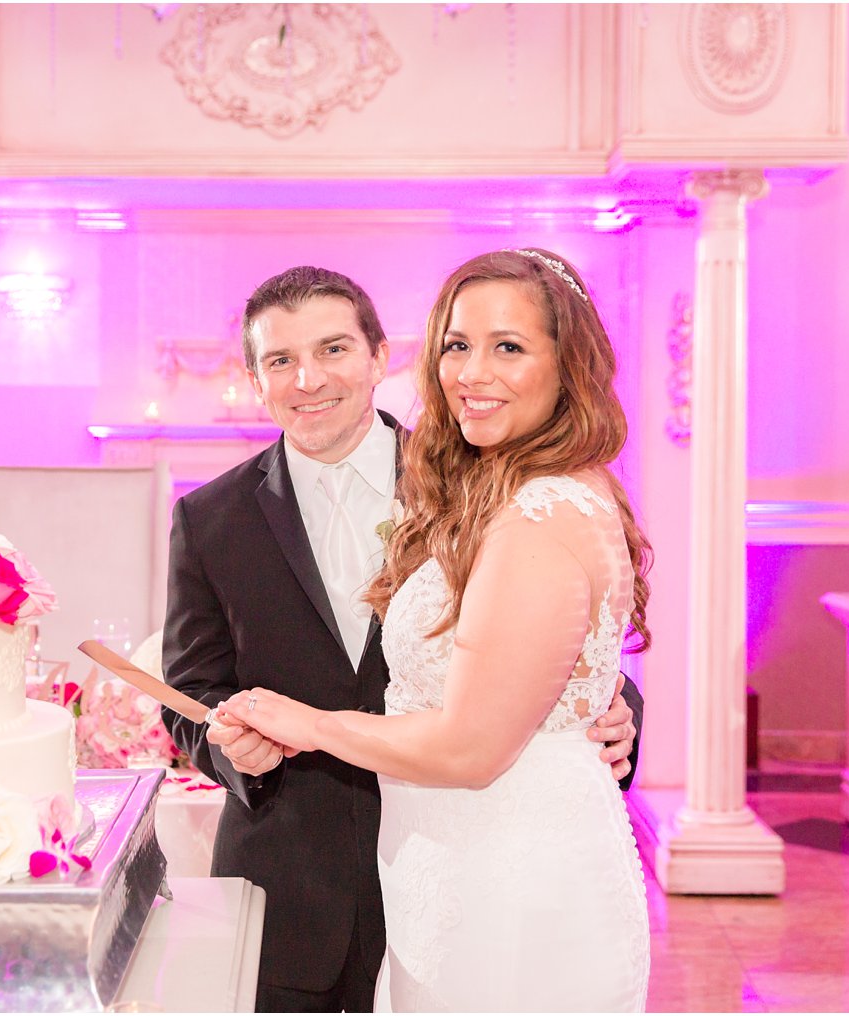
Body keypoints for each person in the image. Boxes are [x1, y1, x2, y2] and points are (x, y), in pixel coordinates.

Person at [161, 264, 643, 1012]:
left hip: (472, 866)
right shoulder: (209, 518)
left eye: (333, 350)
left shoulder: (476, 472)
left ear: (380, 356)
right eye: (280, 361)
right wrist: (226, 746)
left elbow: (562, 638)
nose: (309, 379)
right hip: (296, 883)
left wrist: (616, 711)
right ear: (255, 381)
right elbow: (191, 689)